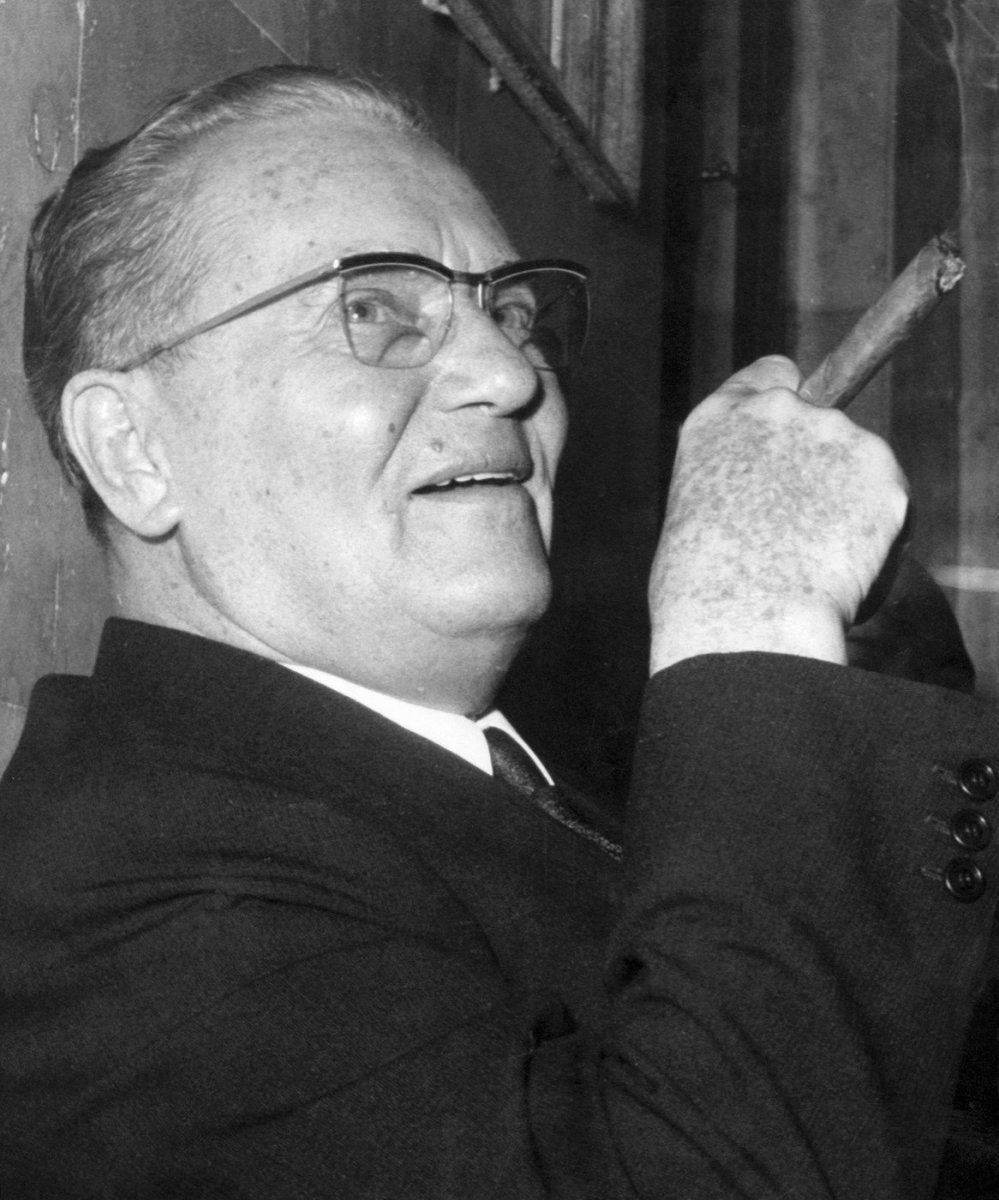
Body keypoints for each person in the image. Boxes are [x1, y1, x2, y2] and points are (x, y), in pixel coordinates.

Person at [0, 64, 995, 1200]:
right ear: (133, 451)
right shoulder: (115, 906)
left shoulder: (486, 785)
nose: (510, 372)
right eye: (373, 310)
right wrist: (750, 610)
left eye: (511, 313)